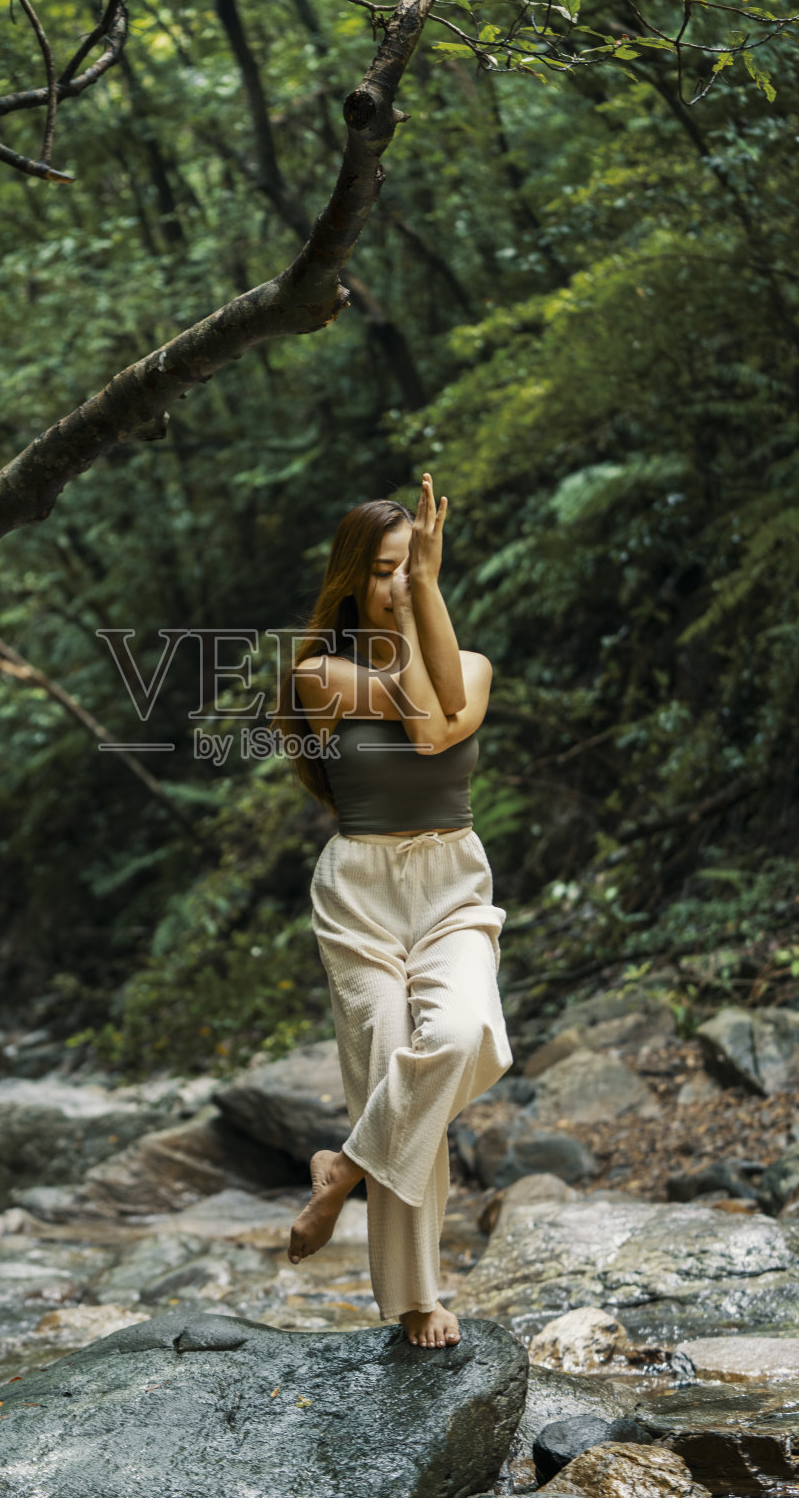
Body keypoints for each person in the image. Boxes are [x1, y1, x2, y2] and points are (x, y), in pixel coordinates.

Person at [271, 473, 512, 1349]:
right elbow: (421, 720)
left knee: (454, 1043)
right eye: (383, 571)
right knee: (391, 1076)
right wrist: (422, 605)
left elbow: (443, 718)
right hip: (360, 897)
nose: (397, 583)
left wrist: (424, 596)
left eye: (410, 567)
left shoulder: (476, 666)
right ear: (348, 579)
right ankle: (418, 1298)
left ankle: (343, 1168)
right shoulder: (319, 676)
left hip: (452, 885)